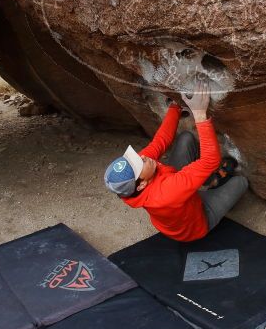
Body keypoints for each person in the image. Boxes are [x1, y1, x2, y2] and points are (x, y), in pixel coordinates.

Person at [103, 80, 248, 242]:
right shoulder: (166, 193)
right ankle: (210, 184)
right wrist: (200, 113)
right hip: (198, 221)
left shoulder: (135, 176)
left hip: (177, 191)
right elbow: (210, 161)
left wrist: (175, 106)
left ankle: (204, 180)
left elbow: (160, 141)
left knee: (186, 139)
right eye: (139, 163)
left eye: (133, 159)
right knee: (240, 182)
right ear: (142, 184)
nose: (142, 157)